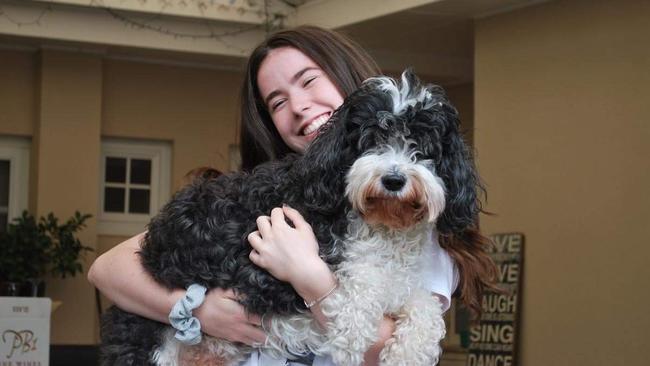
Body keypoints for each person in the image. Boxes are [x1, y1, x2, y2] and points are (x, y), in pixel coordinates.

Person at [89, 25, 497, 366]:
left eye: (308, 80)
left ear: (344, 74)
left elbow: (381, 350)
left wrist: (309, 276)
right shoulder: (250, 195)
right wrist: (200, 311)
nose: (300, 107)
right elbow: (107, 269)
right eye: (278, 101)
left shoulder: (413, 229)